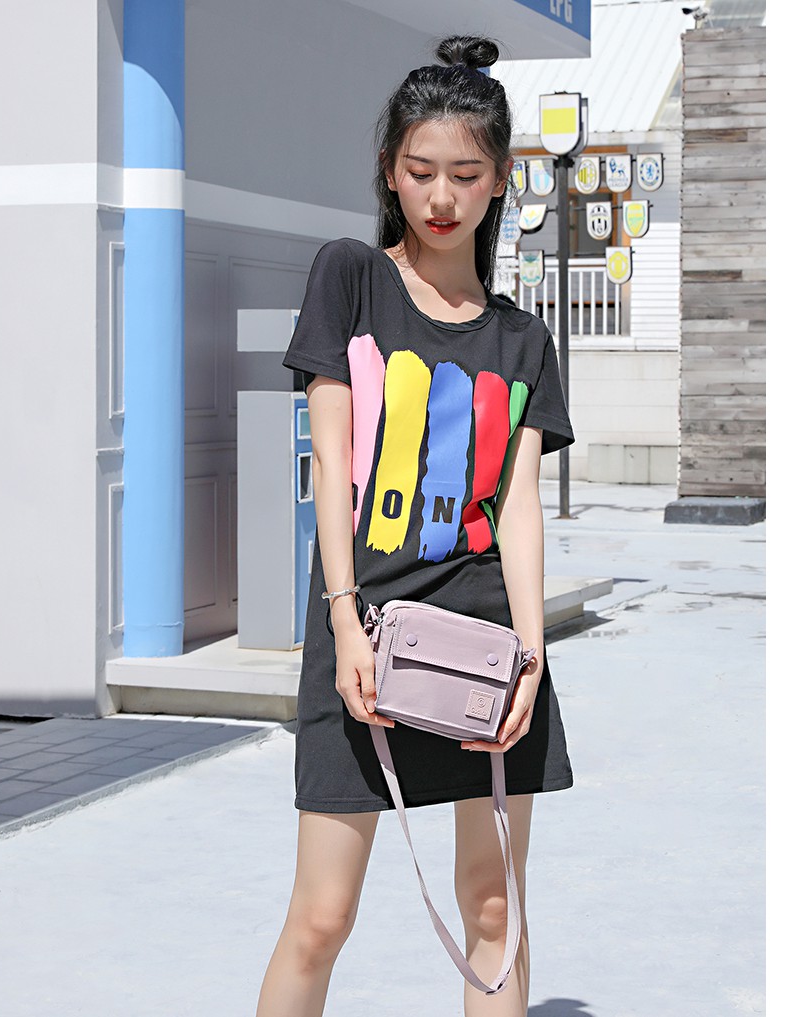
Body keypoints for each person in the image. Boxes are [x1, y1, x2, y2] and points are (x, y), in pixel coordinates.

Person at [257, 35, 576, 1017]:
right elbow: (330, 465)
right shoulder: (350, 278)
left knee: (493, 907)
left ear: (500, 181)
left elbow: (516, 504)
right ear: (390, 171)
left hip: (485, 642)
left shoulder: (521, 338)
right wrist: (342, 619)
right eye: (420, 170)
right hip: (364, 634)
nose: (441, 196)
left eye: (465, 175)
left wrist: (531, 655)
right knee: (321, 917)